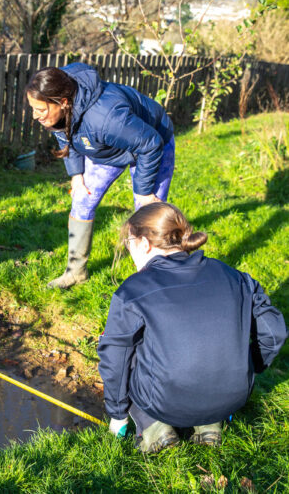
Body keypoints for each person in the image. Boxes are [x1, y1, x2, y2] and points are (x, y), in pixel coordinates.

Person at [98, 202, 287, 453]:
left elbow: (115, 358)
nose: (128, 249)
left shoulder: (132, 290)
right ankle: (210, 423)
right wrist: (247, 366)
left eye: (128, 242)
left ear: (144, 243)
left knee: (127, 352)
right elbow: (275, 331)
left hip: (164, 402)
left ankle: (153, 427)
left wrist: (117, 414)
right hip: (233, 397)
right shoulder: (235, 276)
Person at [25, 63, 175, 289]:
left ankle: (152, 283)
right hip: (106, 148)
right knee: (82, 200)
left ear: (63, 102)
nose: (35, 116)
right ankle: (76, 273)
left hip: (151, 142)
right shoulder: (60, 93)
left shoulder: (105, 118)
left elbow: (150, 144)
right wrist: (77, 174)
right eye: (33, 108)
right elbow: (66, 133)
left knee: (148, 215)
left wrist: (145, 193)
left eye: (41, 110)